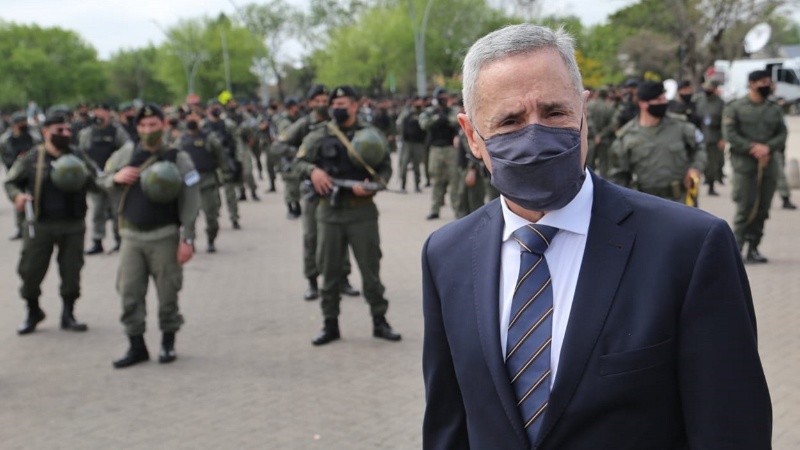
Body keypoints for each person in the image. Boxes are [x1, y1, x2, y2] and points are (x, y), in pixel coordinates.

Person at [422, 24, 771, 449]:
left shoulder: (690, 248)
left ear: (584, 112)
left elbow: (731, 430)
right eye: (510, 121)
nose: (536, 137)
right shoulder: (447, 255)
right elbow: (448, 425)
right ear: (472, 135)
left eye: (554, 113)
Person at [295, 85, 401, 346]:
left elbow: (386, 168)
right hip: (328, 214)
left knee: (370, 271)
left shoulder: (370, 134)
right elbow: (297, 162)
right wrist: (313, 172)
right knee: (329, 272)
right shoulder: (320, 134)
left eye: (344, 103)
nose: (338, 108)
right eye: (335, 103)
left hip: (361, 213)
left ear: (355, 105)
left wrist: (373, 187)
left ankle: (380, 321)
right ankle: (330, 324)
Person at [100, 104, 200, 368]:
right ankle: (137, 346)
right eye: (143, 126)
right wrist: (116, 178)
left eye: (153, 125)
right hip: (131, 236)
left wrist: (187, 238)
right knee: (129, 292)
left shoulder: (178, 157)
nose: (147, 131)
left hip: (165, 235)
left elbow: (191, 199)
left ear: (164, 125)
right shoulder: (126, 154)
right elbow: (102, 179)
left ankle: (168, 342)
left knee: (168, 293)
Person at [4, 113, 97, 334]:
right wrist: (17, 196)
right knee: (29, 271)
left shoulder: (77, 156)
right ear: (46, 132)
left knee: (71, 272)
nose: (66, 134)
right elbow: (11, 182)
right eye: (59, 130)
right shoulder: (33, 157)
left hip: (73, 224)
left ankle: (68, 313)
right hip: (40, 224)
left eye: (67, 130)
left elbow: (96, 180)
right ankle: (33, 310)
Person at [723, 70, 787, 263]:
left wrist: (768, 147)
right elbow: (730, 134)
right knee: (745, 207)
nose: (766, 85)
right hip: (745, 165)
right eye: (762, 82)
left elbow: (782, 133)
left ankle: (754, 248)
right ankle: (736, 249)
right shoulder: (735, 107)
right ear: (751, 84)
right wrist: (753, 148)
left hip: (768, 164)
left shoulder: (774, 109)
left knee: (763, 208)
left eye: (768, 81)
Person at [608, 80, 706, 203]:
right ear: (643, 104)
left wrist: (695, 168)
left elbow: (699, 147)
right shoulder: (626, 136)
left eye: (664, 98)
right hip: (645, 204)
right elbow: (618, 177)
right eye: (659, 100)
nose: (664, 103)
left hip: (680, 201)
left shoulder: (681, 126)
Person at [78, 103, 132, 255]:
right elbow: (82, 154)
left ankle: (120, 240)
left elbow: (127, 150)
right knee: (97, 211)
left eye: (101, 111)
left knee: (117, 211)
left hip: (114, 179)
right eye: (95, 111)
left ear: (109, 114)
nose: (98, 115)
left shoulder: (117, 132)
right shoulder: (87, 133)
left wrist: (117, 170)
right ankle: (97, 240)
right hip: (95, 179)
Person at [178, 109, 230, 253]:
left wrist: (225, 173)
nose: (191, 118)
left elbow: (221, 156)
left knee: (211, 215)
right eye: (189, 115)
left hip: (207, 180)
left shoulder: (209, 138)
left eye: (194, 115)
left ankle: (211, 240)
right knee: (189, 217)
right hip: (188, 183)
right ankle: (189, 241)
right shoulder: (181, 140)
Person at [420, 87, 460, 220]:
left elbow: (457, 120)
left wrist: (446, 117)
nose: (443, 99)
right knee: (437, 180)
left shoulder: (452, 110)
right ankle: (435, 209)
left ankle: (457, 210)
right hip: (436, 149)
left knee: (454, 180)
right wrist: (437, 118)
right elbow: (423, 124)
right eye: (441, 97)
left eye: (445, 97)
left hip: (450, 149)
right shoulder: (430, 112)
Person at [1, 111, 41, 240]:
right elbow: (4, 156)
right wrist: (14, 164)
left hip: (33, 171)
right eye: (20, 123)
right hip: (16, 171)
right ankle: (20, 227)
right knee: (19, 199)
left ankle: (38, 224)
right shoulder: (6, 140)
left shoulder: (33, 136)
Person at [695, 79, 726, 196]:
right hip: (699, 136)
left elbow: (724, 122)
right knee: (698, 162)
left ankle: (711, 185)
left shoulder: (720, 103)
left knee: (712, 164)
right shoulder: (698, 99)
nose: (707, 90)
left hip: (714, 137)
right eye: (706, 87)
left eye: (710, 87)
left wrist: (723, 138)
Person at [395, 95, 427, 192]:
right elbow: (399, 124)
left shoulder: (423, 113)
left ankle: (417, 185)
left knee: (417, 166)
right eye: (417, 101)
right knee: (404, 164)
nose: (419, 103)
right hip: (407, 143)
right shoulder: (407, 112)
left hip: (418, 143)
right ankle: (403, 186)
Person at [585, 88, 616, 177]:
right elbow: (611, 125)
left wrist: (595, 135)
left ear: (597, 95)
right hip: (604, 140)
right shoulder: (610, 108)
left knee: (589, 164)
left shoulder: (589, 105)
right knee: (603, 164)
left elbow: (589, 121)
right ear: (606, 96)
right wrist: (601, 135)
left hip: (590, 139)